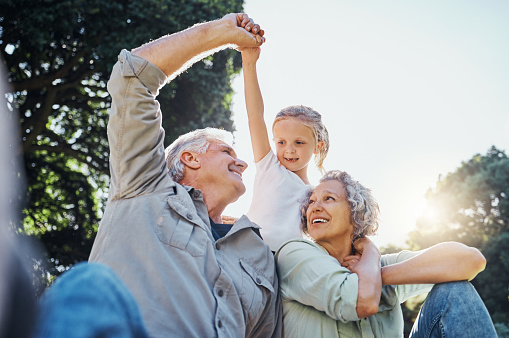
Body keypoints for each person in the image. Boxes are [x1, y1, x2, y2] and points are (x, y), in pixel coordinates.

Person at [88, 13, 282, 338]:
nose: (243, 164)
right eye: (227, 152)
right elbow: (132, 77)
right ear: (190, 158)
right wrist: (219, 33)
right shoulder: (145, 186)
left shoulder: (259, 252)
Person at [276, 170, 497, 337]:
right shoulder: (295, 254)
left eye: (329, 199)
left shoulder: (380, 264)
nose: (314, 207)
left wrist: (376, 267)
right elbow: (363, 302)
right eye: (312, 201)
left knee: (454, 290)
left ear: (355, 213)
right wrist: (370, 260)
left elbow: (471, 260)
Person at [240, 46, 330, 251]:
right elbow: (255, 117)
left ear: (318, 147)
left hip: (281, 265)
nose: (289, 150)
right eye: (281, 142)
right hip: (246, 249)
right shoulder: (269, 167)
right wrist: (249, 62)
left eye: (299, 143)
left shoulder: (315, 194)